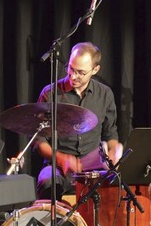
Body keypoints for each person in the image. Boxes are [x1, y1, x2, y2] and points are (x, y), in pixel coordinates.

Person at [34, 42, 123, 200]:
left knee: (121, 185)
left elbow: (110, 134)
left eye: (80, 72)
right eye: (71, 68)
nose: (73, 76)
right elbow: (38, 140)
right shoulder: (50, 93)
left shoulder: (105, 94)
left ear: (95, 70)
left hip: (93, 167)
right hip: (58, 166)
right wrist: (61, 158)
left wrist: (114, 151)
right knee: (48, 181)